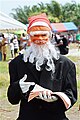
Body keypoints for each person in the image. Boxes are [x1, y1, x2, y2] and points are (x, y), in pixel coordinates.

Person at [7, 13, 77, 120]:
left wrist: (56, 98)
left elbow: (72, 95)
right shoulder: (17, 63)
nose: (40, 39)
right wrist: (18, 86)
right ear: (29, 37)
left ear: (50, 36)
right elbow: (12, 99)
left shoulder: (66, 64)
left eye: (43, 35)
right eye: (35, 35)